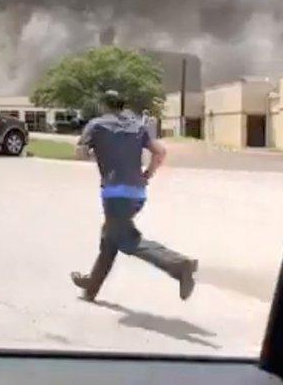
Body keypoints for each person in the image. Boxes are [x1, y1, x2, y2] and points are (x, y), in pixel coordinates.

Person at [71, 90, 198, 302]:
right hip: (137, 193)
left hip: (114, 194)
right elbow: (160, 152)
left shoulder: (96, 125)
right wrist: (147, 174)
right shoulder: (138, 125)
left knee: (127, 239)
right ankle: (91, 286)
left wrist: (97, 153)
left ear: (104, 105)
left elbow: (80, 153)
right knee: (111, 235)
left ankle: (179, 265)